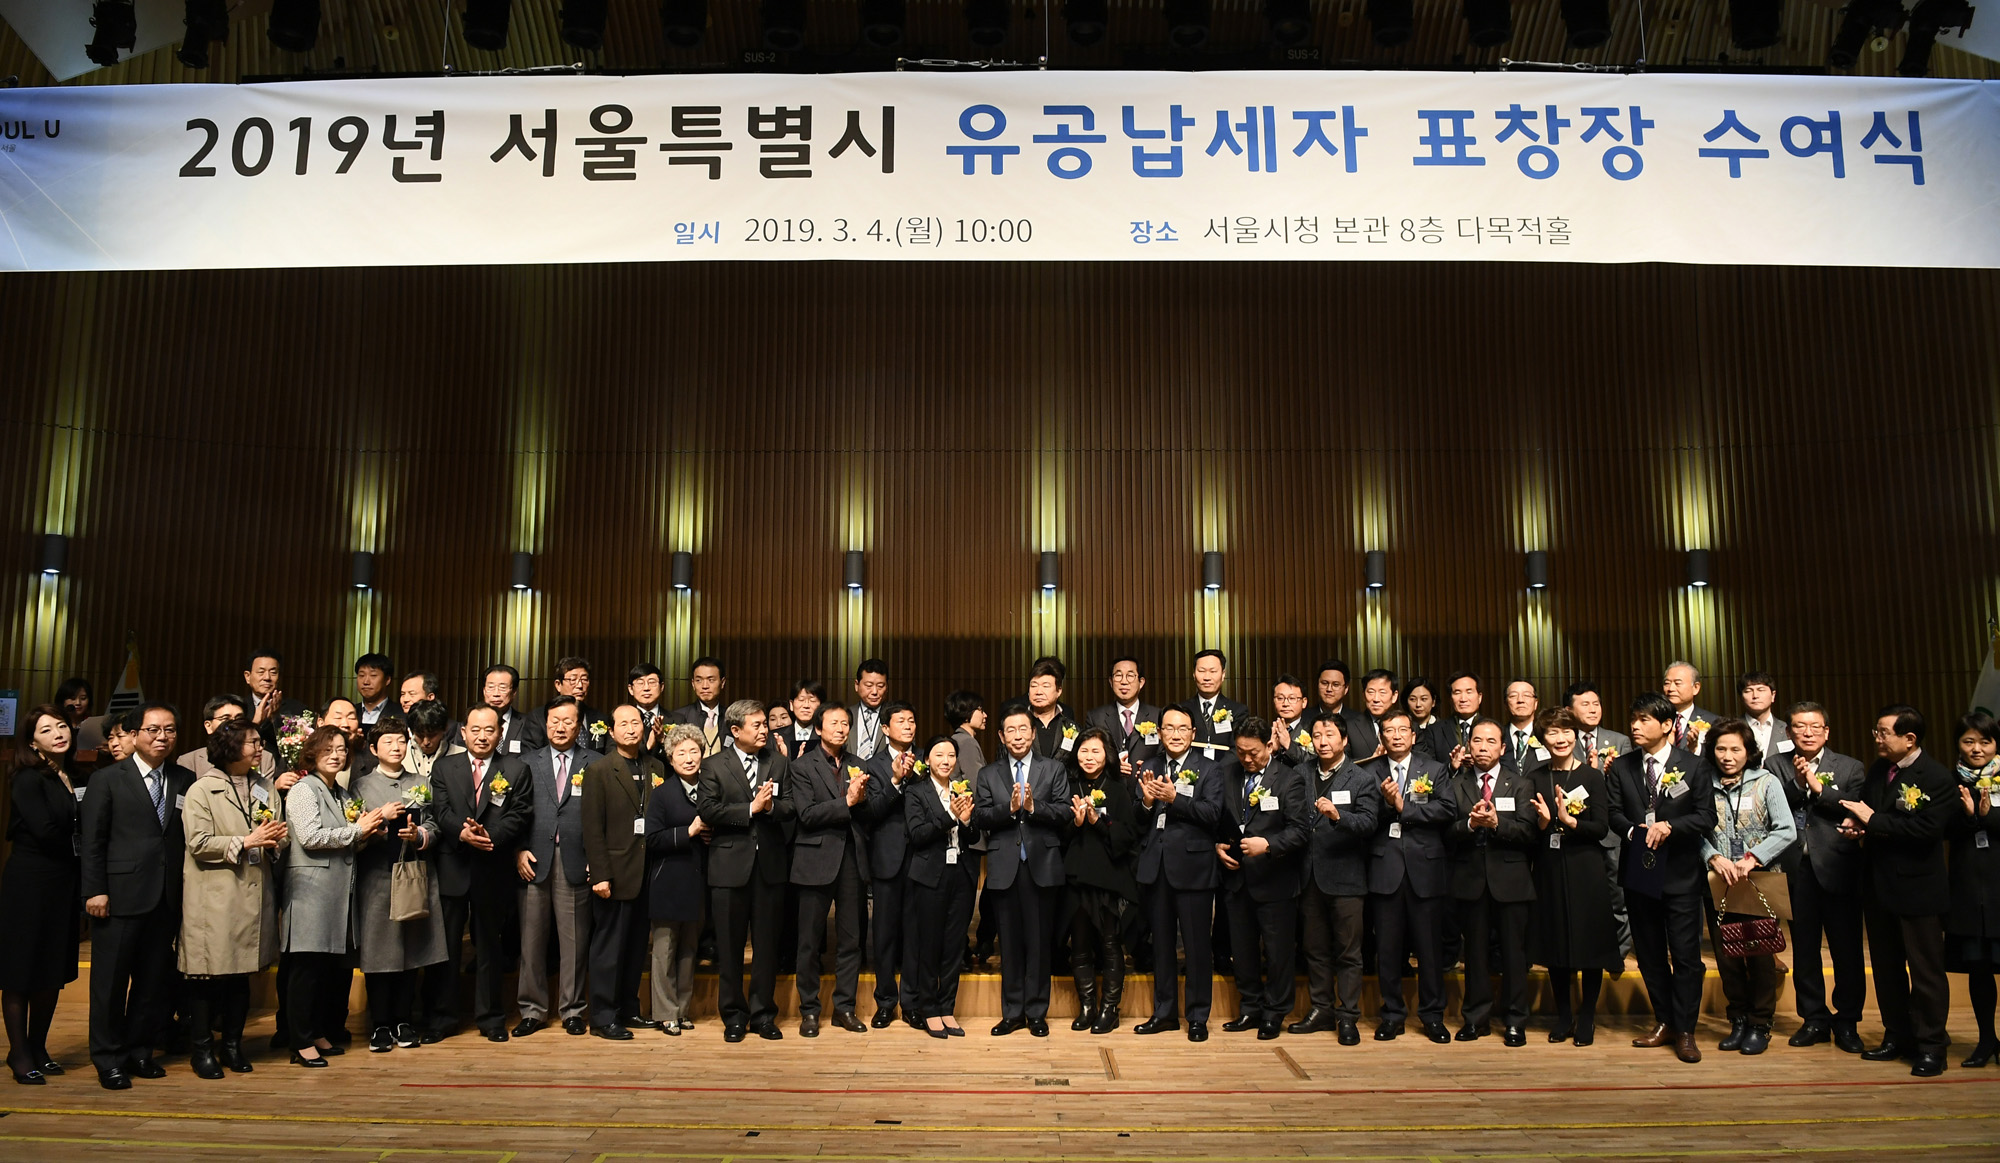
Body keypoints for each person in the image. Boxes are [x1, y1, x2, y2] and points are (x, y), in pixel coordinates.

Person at [80, 702, 192, 1090]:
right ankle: (108, 1058)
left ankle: (139, 1051)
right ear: (134, 734)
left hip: (165, 897)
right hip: (117, 896)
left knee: (151, 983)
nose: (162, 737)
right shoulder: (108, 779)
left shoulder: (184, 778)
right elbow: (92, 841)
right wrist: (95, 889)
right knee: (109, 985)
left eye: (170, 730)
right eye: (153, 730)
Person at [1842, 705, 1955, 1077]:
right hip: (1879, 887)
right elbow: (1869, 811)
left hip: (1918, 890)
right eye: (1876, 731)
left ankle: (1931, 1046)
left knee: (1925, 973)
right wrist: (1858, 825)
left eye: (1883, 732)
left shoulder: (1936, 777)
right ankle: (1897, 1035)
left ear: (1910, 738)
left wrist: (1873, 820)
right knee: (1887, 969)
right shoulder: (1879, 769)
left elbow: (1927, 831)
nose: (1877, 738)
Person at [1607, 692, 1717, 1064]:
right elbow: (1613, 813)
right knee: (1650, 955)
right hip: (1639, 872)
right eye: (1633, 719)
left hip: (1681, 874)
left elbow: (1706, 816)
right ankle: (1664, 1021)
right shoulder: (1622, 767)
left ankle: (1685, 1030)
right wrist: (1634, 832)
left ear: (1667, 725)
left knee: (1686, 957)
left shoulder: (1694, 765)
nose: (1635, 726)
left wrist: (1670, 826)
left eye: (1644, 719)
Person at [179, 720, 287, 1079]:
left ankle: (232, 1046)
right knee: (208, 977)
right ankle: (201, 1049)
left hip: (253, 895)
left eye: (259, 742)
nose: (259, 748)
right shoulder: (202, 789)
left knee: (242, 976)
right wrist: (245, 841)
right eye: (251, 742)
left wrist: (276, 841)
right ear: (229, 747)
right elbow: (198, 843)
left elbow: (278, 833)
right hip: (216, 898)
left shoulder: (265, 787)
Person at [282, 727, 388, 1066]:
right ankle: (299, 1041)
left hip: (337, 893)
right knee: (305, 970)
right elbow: (310, 837)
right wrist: (358, 829)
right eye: (327, 749)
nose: (336, 755)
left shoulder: (340, 792)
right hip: (310, 892)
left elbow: (348, 842)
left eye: (342, 749)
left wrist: (369, 833)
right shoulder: (303, 789)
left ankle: (316, 1032)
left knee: (325, 972)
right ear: (312, 753)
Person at [430, 705, 534, 1042]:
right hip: (454, 864)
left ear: (499, 734)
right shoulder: (444, 767)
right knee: (447, 947)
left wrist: (490, 835)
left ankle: (491, 1018)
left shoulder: (516, 769)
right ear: (463, 732)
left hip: (493, 866)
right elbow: (440, 809)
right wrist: (462, 832)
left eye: (489, 730)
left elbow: (520, 813)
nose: (482, 736)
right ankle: (443, 1018)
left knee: (490, 946)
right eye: (475, 729)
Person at [1699, 718, 1797, 1056]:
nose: (1727, 756)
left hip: (1757, 881)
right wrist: (1713, 857)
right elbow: (1694, 829)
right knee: (1727, 956)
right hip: (1719, 882)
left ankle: (1760, 1023)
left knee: (1759, 956)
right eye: (1721, 749)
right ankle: (1737, 1019)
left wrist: (1752, 858)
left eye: (1735, 749)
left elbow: (1786, 830)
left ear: (1748, 751)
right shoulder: (1703, 783)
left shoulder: (1766, 782)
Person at [698, 699, 793, 1042]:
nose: (765, 730)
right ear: (736, 730)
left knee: (766, 948)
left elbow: (790, 806)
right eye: (757, 725)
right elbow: (708, 809)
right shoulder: (713, 765)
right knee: (730, 947)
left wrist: (769, 808)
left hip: (769, 868)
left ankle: (763, 1015)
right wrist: (750, 808)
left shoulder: (778, 762)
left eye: (765, 724)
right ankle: (734, 1016)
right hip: (728, 868)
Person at [972, 703, 1070, 1037]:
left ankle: (1037, 1013)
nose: (1017, 736)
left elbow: (1063, 813)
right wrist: (1010, 808)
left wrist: (1033, 806)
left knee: (1039, 944)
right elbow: (980, 817)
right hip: (1004, 868)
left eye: (1023, 729)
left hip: (1041, 865)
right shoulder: (988, 774)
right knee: (1010, 945)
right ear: (1001, 736)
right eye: (1010, 730)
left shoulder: (1053, 769)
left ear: (1033, 733)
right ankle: (1012, 1013)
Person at [350, 720, 447, 1053]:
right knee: (379, 952)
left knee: (411, 948)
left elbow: (434, 823)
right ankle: (379, 1023)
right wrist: (378, 823)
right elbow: (353, 829)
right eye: (388, 742)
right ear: (373, 749)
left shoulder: (421, 782)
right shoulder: (361, 786)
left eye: (401, 741)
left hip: (415, 876)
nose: (396, 747)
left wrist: (419, 835)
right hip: (377, 878)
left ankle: (403, 1020)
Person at [1524, 708, 1620, 1046]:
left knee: (1589, 944)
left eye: (1566, 731)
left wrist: (1569, 821)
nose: (1561, 738)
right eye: (1552, 733)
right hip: (1549, 867)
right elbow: (1529, 832)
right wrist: (1543, 822)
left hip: (1585, 868)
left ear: (1575, 735)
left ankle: (1587, 1015)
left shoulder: (1592, 776)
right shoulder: (1534, 777)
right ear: (1543, 739)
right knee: (1556, 944)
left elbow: (1602, 828)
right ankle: (1564, 1015)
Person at [1778, 701, 1868, 1053]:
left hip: (1838, 866)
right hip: (1796, 869)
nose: (1808, 732)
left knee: (1847, 950)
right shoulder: (1775, 765)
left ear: (1827, 732)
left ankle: (1847, 1020)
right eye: (1800, 726)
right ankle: (1813, 1018)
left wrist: (1817, 787)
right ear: (1788, 732)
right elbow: (1775, 804)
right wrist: (1798, 784)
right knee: (1804, 950)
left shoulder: (1850, 766)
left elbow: (1853, 805)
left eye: (1815, 726)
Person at [1214, 717, 1310, 1040]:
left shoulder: (1289, 779)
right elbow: (1217, 818)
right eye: (1240, 752)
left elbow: (1300, 831)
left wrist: (1267, 845)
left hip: (1274, 880)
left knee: (1278, 953)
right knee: (1242, 951)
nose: (1246, 759)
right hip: (1237, 879)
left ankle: (1274, 1012)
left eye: (1253, 753)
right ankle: (1250, 1007)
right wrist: (1217, 846)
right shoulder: (1227, 772)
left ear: (1269, 745)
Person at [3, 705, 83, 1084]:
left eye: (61, 726)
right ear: (32, 742)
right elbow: (46, 830)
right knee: (21, 970)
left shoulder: (74, 776)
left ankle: (38, 1046)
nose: (58, 733)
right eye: (46, 730)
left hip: (64, 881)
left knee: (52, 970)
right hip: (30, 882)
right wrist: (87, 843)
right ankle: (19, 1053)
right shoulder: (26, 778)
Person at [1365, 708, 1455, 1044]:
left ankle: (1432, 1016)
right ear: (1382, 737)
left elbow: (1447, 809)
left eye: (1403, 729)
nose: (1397, 735)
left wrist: (1405, 807)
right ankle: (1392, 1014)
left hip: (1425, 869)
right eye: (1390, 730)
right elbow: (1363, 816)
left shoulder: (1434, 769)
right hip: (1385, 868)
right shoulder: (1369, 772)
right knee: (1388, 950)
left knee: (1429, 950)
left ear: (1414, 736)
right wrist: (1388, 805)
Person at [1447, 718, 1538, 1046]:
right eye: (1477, 740)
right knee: (1475, 955)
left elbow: (1529, 832)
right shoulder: (1456, 784)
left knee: (1514, 955)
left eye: (1490, 741)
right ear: (1468, 746)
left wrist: (1498, 823)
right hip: (1470, 880)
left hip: (1511, 880)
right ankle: (1476, 1019)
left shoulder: (1521, 784)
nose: (1483, 747)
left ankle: (1515, 1021)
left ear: (1502, 748)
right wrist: (1471, 825)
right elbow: (1446, 832)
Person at [580, 705, 668, 1039]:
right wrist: (600, 874)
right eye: (624, 724)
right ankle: (603, 1017)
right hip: (614, 873)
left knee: (635, 947)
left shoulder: (656, 766)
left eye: (636, 723)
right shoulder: (599, 770)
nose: (631, 729)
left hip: (648, 872)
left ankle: (629, 1009)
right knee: (609, 949)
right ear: (611, 731)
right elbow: (592, 828)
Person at [1133, 706, 1221, 1041]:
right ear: (1159, 732)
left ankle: (1197, 1017)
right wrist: (1145, 803)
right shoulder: (1151, 766)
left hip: (1194, 868)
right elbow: (1138, 820)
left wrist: (1175, 799)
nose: (1175, 734)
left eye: (1182, 728)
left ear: (1193, 733)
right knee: (1162, 946)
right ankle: (1164, 1013)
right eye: (1169, 728)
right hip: (1156, 867)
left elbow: (1213, 813)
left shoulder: (1209, 769)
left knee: (1197, 947)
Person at [515, 695, 600, 1038]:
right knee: (531, 942)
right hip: (533, 860)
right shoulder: (525, 762)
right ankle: (532, 1010)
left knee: (574, 942)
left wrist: (598, 859)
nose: (560, 727)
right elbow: (514, 813)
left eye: (567, 721)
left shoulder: (595, 763)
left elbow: (604, 817)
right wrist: (518, 850)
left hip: (577, 859)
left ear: (579, 727)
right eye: (554, 721)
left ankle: (573, 1010)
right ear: (545, 724)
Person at [1290, 712, 1379, 1042]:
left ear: (1344, 740)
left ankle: (1348, 1015)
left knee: (1348, 952)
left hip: (1346, 878)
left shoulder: (1361, 778)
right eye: (1317, 735)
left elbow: (1369, 823)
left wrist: (1339, 815)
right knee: (1314, 948)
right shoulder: (1300, 773)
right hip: (1308, 875)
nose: (1323, 741)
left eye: (1329, 735)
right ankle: (1321, 1009)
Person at [789, 706, 869, 1036]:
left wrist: (860, 800)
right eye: (834, 723)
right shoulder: (801, 766)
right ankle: (809, 1010)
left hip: (851, 859)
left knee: (851, 940)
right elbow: (806, 814)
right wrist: (847, 802)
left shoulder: (858, 764)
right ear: (818, 729)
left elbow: (867, 812)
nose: (841, 728)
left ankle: (844, 1008)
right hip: (815, 860)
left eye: (845, 723)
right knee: (809, 941)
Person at [1061, 728, 1139, 1034]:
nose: (1089, 757)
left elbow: (1128, 835)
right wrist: (1076, 822)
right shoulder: (1068, 786)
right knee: (1079, 945)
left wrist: (1097, 822)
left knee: (1109, 945)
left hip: (1108, 878)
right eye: (1084, 751)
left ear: (1107, 755)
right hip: (1076, 877)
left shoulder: (1118, 789)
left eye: (1095, 751)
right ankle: (1087, 1006)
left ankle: (1110, 1008)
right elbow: (1057, 835)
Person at [905, 734, 978, 1038]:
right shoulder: (916, 791)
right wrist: (951, 816)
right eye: (939, 755)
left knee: (954, 945)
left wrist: (967, 821)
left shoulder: (962, 788)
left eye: (951, 756)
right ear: (927, 760)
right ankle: (929, 1008)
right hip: (929, 875)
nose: (946, 761)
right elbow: (917, 834)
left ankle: (947, 1008)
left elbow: (974, 837)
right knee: (929, 944)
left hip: (961, 874)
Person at [644, 724, 709, 1035]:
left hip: (698, 881)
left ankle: (682, 1010)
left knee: (688, 951)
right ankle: (664, 1012)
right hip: (668, 881)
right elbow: (652, 838)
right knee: (665, 952)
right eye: (681, 753)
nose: (688, 758)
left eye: (694, 751)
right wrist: (689, 832)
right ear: (670, 759)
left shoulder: (709, 789)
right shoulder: (662, 794)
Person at [861, 702, 921, 1027]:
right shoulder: (873, 765)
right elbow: (871, 812)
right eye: (900, 721)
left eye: (911, 721)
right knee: (883, 935)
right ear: (885, 728)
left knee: (915, 934)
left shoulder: (926, 759)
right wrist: (896, 781)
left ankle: (911, 1002)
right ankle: (885, 1001)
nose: (908, 726)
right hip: (887, 857)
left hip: (921, 856)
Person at [1948, 712, 2000, 1068]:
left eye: (1985, 741)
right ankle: (1985, 1040)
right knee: (1979, 968)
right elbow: (1941, 830)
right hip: (1968, 888)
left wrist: (1986, 816)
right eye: (1969, 741)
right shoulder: (1950, 781)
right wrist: (1968, 817)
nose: (1977, 749)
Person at [946, 689, 996, 970]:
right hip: (967, 830)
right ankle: (958, 954)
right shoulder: (965, 742)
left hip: (961, 829)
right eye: (980, 709)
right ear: (967, 713)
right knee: (963, 899)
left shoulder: (960, 740)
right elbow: (979, 787)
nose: (985, 715)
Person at [1086, 656, 1162, 774]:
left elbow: (1165, 752)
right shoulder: (1096, 717)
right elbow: (1088, 754)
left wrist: (1149, 767)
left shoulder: (1157, 715)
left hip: (1147, 782)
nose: (1124, 682)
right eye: (1118, 675)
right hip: (1109, 783)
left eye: (1130, 676)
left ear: (1141, 682)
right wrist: (1111, 766)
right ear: (1111, 682)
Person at [1181, 650, 1248, 764]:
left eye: (1213, 671)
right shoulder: (1181, 710)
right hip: (1189, 770)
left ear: (1223, 674)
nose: (1207, 677)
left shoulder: (1238, 711)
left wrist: (1214, 770)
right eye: (1201, 671)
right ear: (1194, 674)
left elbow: (1239, 748)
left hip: (1226, 770)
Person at [242, 650, 309, 754]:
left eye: (273, 673)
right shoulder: (239, 709)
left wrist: (275, 719)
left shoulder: (297, 709)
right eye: (261, 672)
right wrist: (255, 723)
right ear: (248, 677)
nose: (267, 678)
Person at [477, 664, 545, 757]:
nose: (496, 693)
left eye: (502, 688)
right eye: (491, 687)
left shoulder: (529, 723)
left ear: (514, 692)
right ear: (484, 691)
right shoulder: (470, 723)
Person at [1661, 661, 1722, 755]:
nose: (1671, 689)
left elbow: (1718, 756)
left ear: (1696, 688)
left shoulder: (1713, 721)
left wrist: (1696, 748)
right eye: (1667, 683)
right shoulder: (1655, 720)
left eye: (1678, 683)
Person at [672, 657, 729, 757]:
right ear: (693, 684)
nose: (705, 686)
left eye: (711, 680)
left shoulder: (731, 717)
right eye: (698, 680)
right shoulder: (679, 716)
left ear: (722, 682)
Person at [1738, 672, 1788, 762]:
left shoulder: (1787, 729)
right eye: (1748, 691)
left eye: (1761, 690)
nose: (1755, 696)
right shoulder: (1732, 728)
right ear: (1741, 697)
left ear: (1773, 695)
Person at [850, 659, 890, 761]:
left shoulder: (895, 716)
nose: (875, 691)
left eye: (880, 686)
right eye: (869, 685)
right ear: (857, 685)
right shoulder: (846, 714)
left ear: (887, 687)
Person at [1501, 681, 1542, 770]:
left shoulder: (1545, 734)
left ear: (1535, 703)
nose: (1520, 700)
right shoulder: (1498, 736)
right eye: (1513, 696)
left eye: (1526, 695)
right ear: (1505, 704)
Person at [354, 653, 395, 726]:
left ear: (387, 680)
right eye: (362, 675)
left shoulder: (401, 713)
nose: (366, 682)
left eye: (373, 675)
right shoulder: (351, 712)